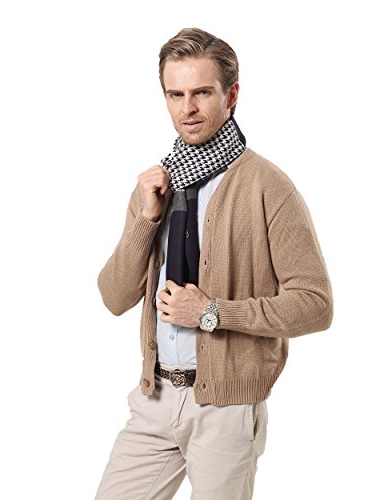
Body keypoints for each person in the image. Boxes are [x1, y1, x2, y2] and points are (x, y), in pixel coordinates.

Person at [94, 27, 333, 500]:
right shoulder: (156, 186)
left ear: (232, 95)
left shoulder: (268, 187)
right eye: (175, 94)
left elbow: (316, 305)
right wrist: (146, 219)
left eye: (202, 92)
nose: (188, 108)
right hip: (154, 399)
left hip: (227, 409)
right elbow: (114, 297)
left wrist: (212, 313)